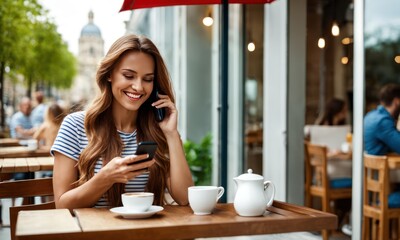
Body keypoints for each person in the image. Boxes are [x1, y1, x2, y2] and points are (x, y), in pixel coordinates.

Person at [51, 34, 194, 210]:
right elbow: (62, 205)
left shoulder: (159, 131)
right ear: (110, 74)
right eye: (128, 76)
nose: (139, 87)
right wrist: (106, 178)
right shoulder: (75, 126)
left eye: (148, 79)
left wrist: (172, 134)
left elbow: (185, 199)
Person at [364, 83, 400, 155]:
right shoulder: (382, 122)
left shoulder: (370, 115)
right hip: (381, 165)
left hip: (370, 164)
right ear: (396, 101)